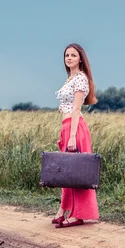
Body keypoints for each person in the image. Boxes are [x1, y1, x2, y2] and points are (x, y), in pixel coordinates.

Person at [51, 43, 99, 228]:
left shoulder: (80, 79)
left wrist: (71, 137)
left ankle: (78, 214)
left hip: (75, 128)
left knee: (76, 173)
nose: (69, 58)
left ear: (80, 58)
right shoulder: (69, 79)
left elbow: (76, 109)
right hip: (67, 127)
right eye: (66, 55)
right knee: (66, 172)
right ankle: (63, 210)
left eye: (73, 55)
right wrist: (64, 135)